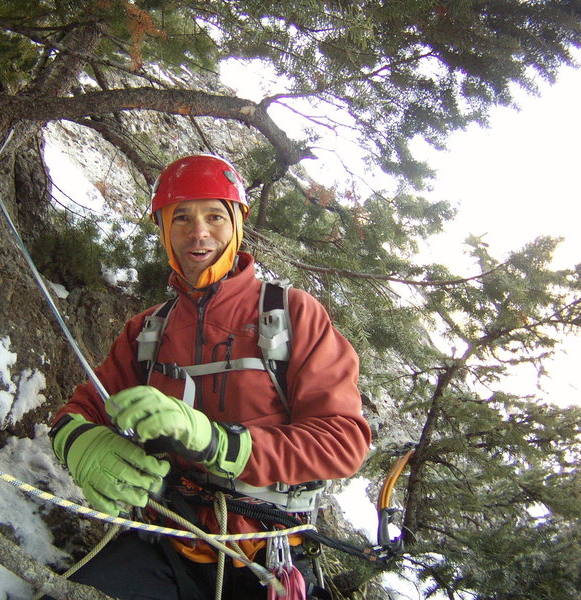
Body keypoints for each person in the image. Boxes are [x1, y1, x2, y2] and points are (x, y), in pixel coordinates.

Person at [47, 154, 372, 600]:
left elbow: (343, 441)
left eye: (214, 216)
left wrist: (221, 444)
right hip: (166, 545)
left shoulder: (292, 315)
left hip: (268, 555)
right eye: (181, 218)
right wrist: (82, 443)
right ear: (163, 229)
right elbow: (77, 412)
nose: (197, 232)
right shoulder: (146, 332)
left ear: (237, 224)